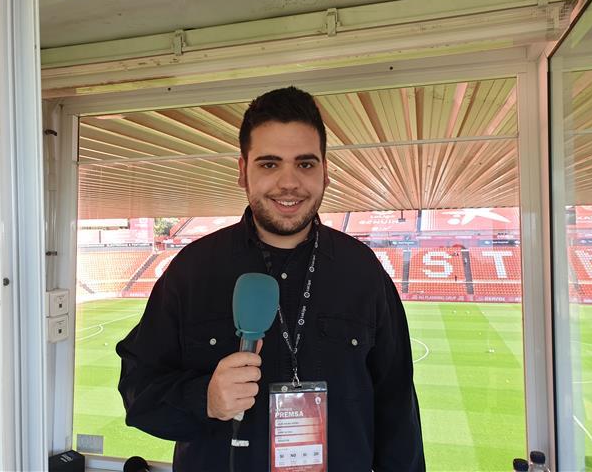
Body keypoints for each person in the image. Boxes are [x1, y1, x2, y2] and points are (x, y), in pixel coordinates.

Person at [116, 86, 425, 471]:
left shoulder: (363, 271)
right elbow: (138, 392)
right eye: (269, 164)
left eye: (305, 164)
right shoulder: (192, 271)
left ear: (326, 173)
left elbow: (398, 413)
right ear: (243, 171)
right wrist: (205, 398)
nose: (289, 182)